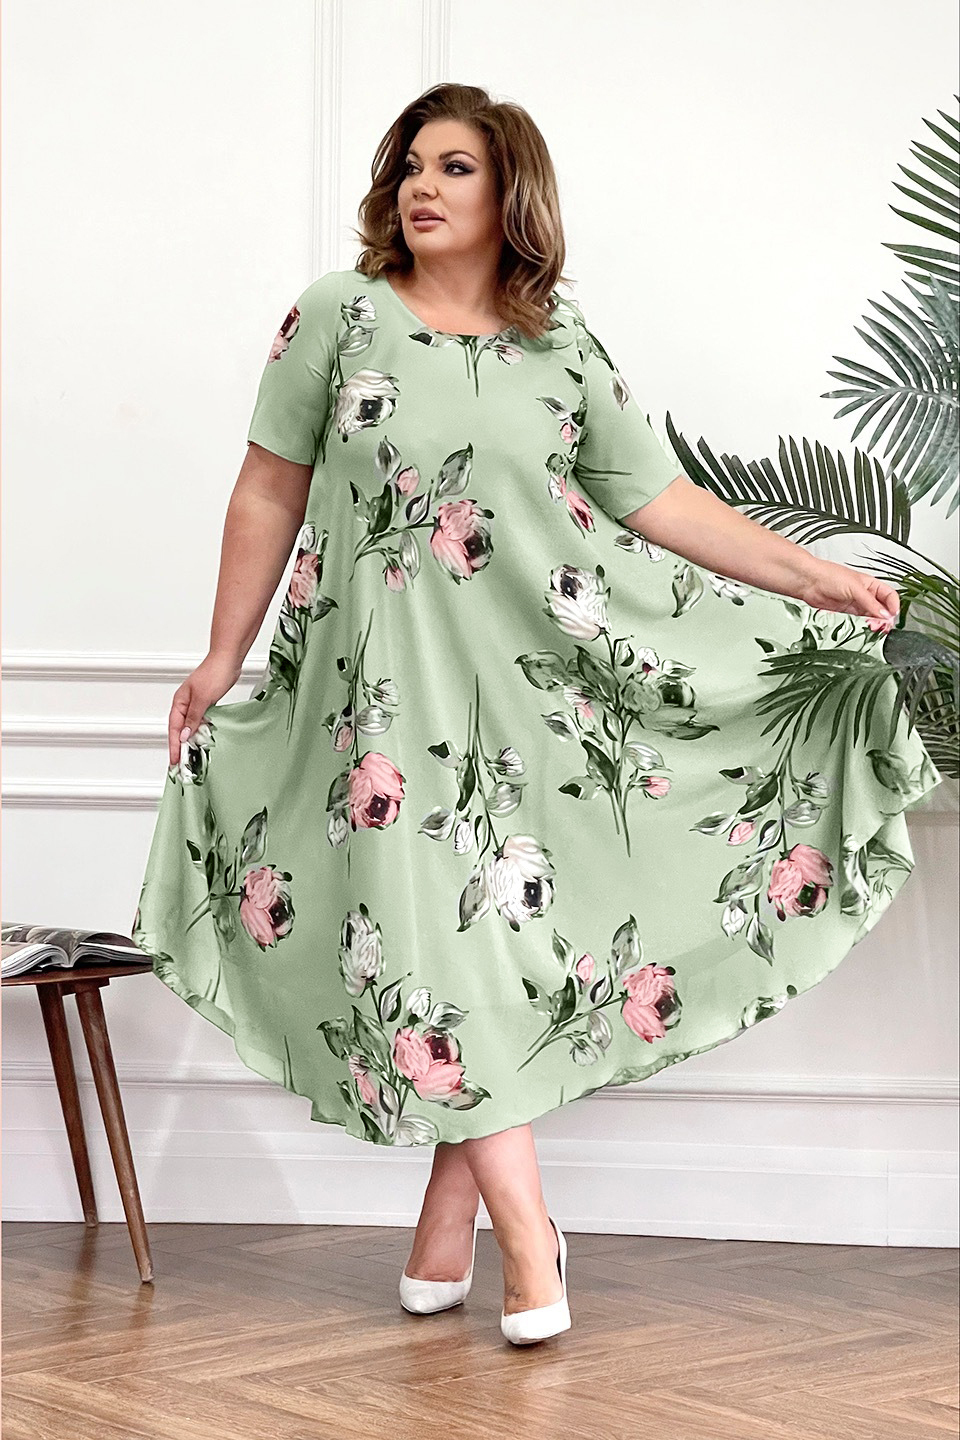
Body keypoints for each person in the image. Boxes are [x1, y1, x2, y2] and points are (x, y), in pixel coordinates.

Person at [131, 82, 940, 1345]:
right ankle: (530, 1239)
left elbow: (661, 502)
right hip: (375, 711)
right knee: (433, 956)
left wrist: (815, 578)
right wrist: (219, 657)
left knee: (479, 956)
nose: (422, 185)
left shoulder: (558, 343)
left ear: (512, 193)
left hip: (534, 708)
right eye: (411, 163)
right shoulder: (338, 316)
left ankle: (450, 1223)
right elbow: (267, 490)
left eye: (454, 166)